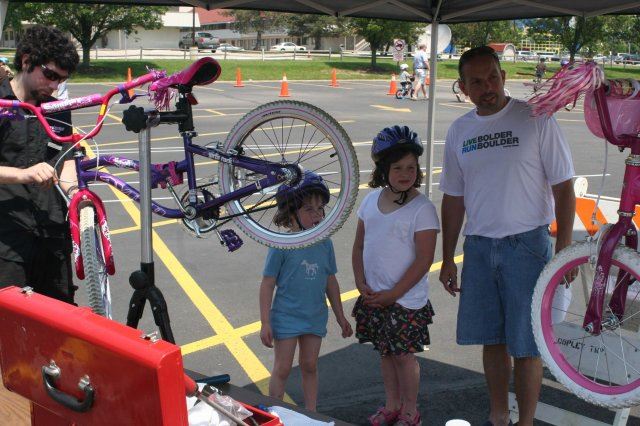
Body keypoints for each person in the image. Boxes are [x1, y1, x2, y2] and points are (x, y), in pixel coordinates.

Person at [438, 46, 575, 426]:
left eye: (494, 77)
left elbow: (564, 187)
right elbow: (453, 197)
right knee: (492, 340)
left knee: (527, 345)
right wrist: (448, 256)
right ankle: (499, 416)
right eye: (477, 82)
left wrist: (563, 248)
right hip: (479, 248)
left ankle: (525, 422)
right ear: (463, 87)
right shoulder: (459, 130)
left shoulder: (535, 118)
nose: (488, 87)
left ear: (503, 75)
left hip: (527, 247)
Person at [352, 125, 439, 426]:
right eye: (398, 167)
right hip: (375, 295)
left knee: (404, 356)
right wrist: (360, 282)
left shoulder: (422, 209)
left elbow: (424, 260)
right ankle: (391, 404)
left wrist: (394, 293)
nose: (406, 173)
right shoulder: (369, 202)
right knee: (386, 354)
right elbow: (359, 245)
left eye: (411, 167)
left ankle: (410, 411)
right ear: (383, 170)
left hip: (406, 300)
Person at [259, 171, 353, 412]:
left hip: (314, 315)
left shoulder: (325, 242)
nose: (318, 215)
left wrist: (341, 317)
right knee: (282, 368)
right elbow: (267, 283)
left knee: (310, 364)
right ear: (291, 214)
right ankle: (275, 412)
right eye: (309, 210)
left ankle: (311, 414)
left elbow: (330, 281)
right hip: (286, 316)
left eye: (320, 209)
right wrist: (265, 322)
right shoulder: (281, 245)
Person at [0, 25, 80, 302]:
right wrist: (24, 174)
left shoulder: (58, 109)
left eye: (61, 80)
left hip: (53, 235)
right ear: (26, 61)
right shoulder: (1, 105)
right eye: (50, 75)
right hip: (8, 241)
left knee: (59, 325)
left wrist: (76, 196)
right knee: (10, 328)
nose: (55, 86)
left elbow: (66, 160)